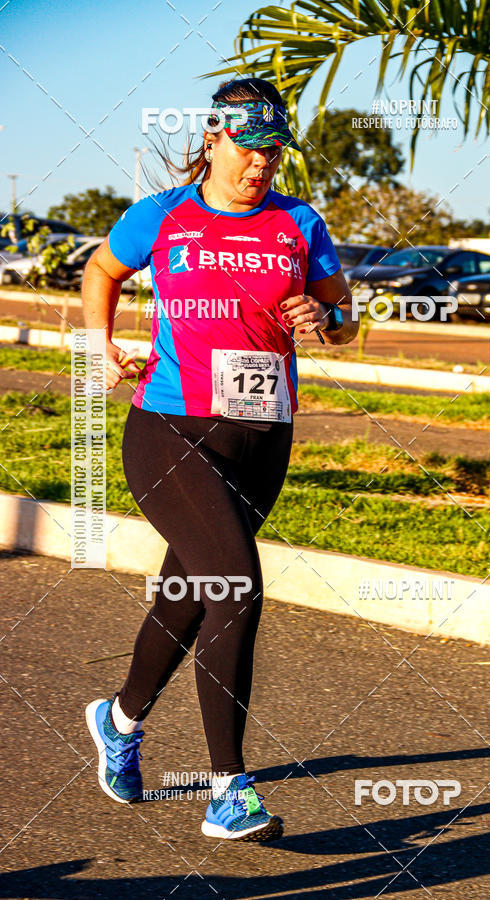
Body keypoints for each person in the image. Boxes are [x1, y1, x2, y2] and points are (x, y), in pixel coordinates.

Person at [82, 76, 358, 841]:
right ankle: (228, 789)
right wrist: (97, 344)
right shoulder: (162, 216)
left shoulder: (300, 223)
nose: (263, 164)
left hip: (262, 436)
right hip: (170, 431)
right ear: (214, 138)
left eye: (275, 151)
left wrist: (324, 317)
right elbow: (102, 270)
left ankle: (120, 719)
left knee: (191, 594)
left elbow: (345, 323)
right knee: (235, 586)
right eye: (251, 147)